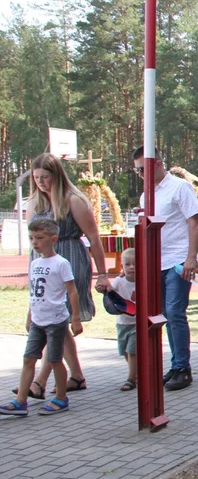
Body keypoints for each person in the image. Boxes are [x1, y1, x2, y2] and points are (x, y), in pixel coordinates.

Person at [22, 154, 109, 397]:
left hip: (68, 260)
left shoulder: (73, 200)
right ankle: (77, 377)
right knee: (56, 321)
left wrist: (102, 274)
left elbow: (93, 237)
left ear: (57, 176)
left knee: (55, 320)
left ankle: (38, 382)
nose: (40, 182)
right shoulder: (35, 204)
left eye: (45, 177)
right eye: (36, 178)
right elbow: (32, 239)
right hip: (41, 265)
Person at [134, 146, 198, 390]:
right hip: (156, 262)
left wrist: (191, 258)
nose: (140, 174)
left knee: (175, 312)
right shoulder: (146, 195)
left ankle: (183, 367)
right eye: (136, 170)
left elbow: (194, 222)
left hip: (176, 260)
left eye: (143, 169)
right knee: (163, 314)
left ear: (158, 164)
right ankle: (175, 365)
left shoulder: (179, 187)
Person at [1, 219, 81, 417]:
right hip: (38, 319)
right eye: (31, 238)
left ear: (53, 239)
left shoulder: (61, 263)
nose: (35, 242)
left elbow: (72, 291)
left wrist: (76, 317)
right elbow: (34, 292)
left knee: (55, 360)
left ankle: (61, 398)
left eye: (39, 238)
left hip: (55, 320)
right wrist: (30, 315)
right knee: (29, 359)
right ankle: (21, 401)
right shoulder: (35, 263)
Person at [112, 248, 138, 392]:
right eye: (127, 264)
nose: (131, 267)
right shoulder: (119, 281)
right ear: (122, 265)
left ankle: (130, 379)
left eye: (135, 264)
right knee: (125, 352)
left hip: (136, 323)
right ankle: (136, 373)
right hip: (122, 323)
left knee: (132, 351)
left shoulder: (142, 281)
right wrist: (102, 288)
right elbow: (110, 291)